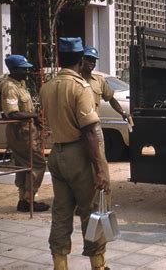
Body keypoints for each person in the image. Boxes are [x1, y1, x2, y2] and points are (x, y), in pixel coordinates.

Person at [40, 37, 110, 270]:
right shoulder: (81, 87)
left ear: (60, 58)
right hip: (79, 155)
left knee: (61, 212)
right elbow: (90, 132)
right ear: (81, 59)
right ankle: (98, 264)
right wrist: (100, 170)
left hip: (57, 154)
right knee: (91, 212)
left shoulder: (47, 87)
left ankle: (60, 264)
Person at [0, 54, 49, 213]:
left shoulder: (19, 84)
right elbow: (12, 114)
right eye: (23, 68)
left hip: (27, 132)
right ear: (13, 69)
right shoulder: (10, 87)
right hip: (21, 133)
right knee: (38, 164)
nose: (27, 71)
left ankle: (23, 200)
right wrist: (33, 116)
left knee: (23, 166)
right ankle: (29, 200)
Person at [80, 46, 128, 208]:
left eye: (94, 60)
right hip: (76, 129)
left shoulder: (99, 80)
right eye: (88, 59)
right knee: (81, 168)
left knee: (100, 165)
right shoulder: (75, 80)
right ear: (81, 59)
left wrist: (123, 112)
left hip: (94, 128)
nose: (91, 63)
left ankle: (101, 204)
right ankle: (82, 204)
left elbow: (111, 98)